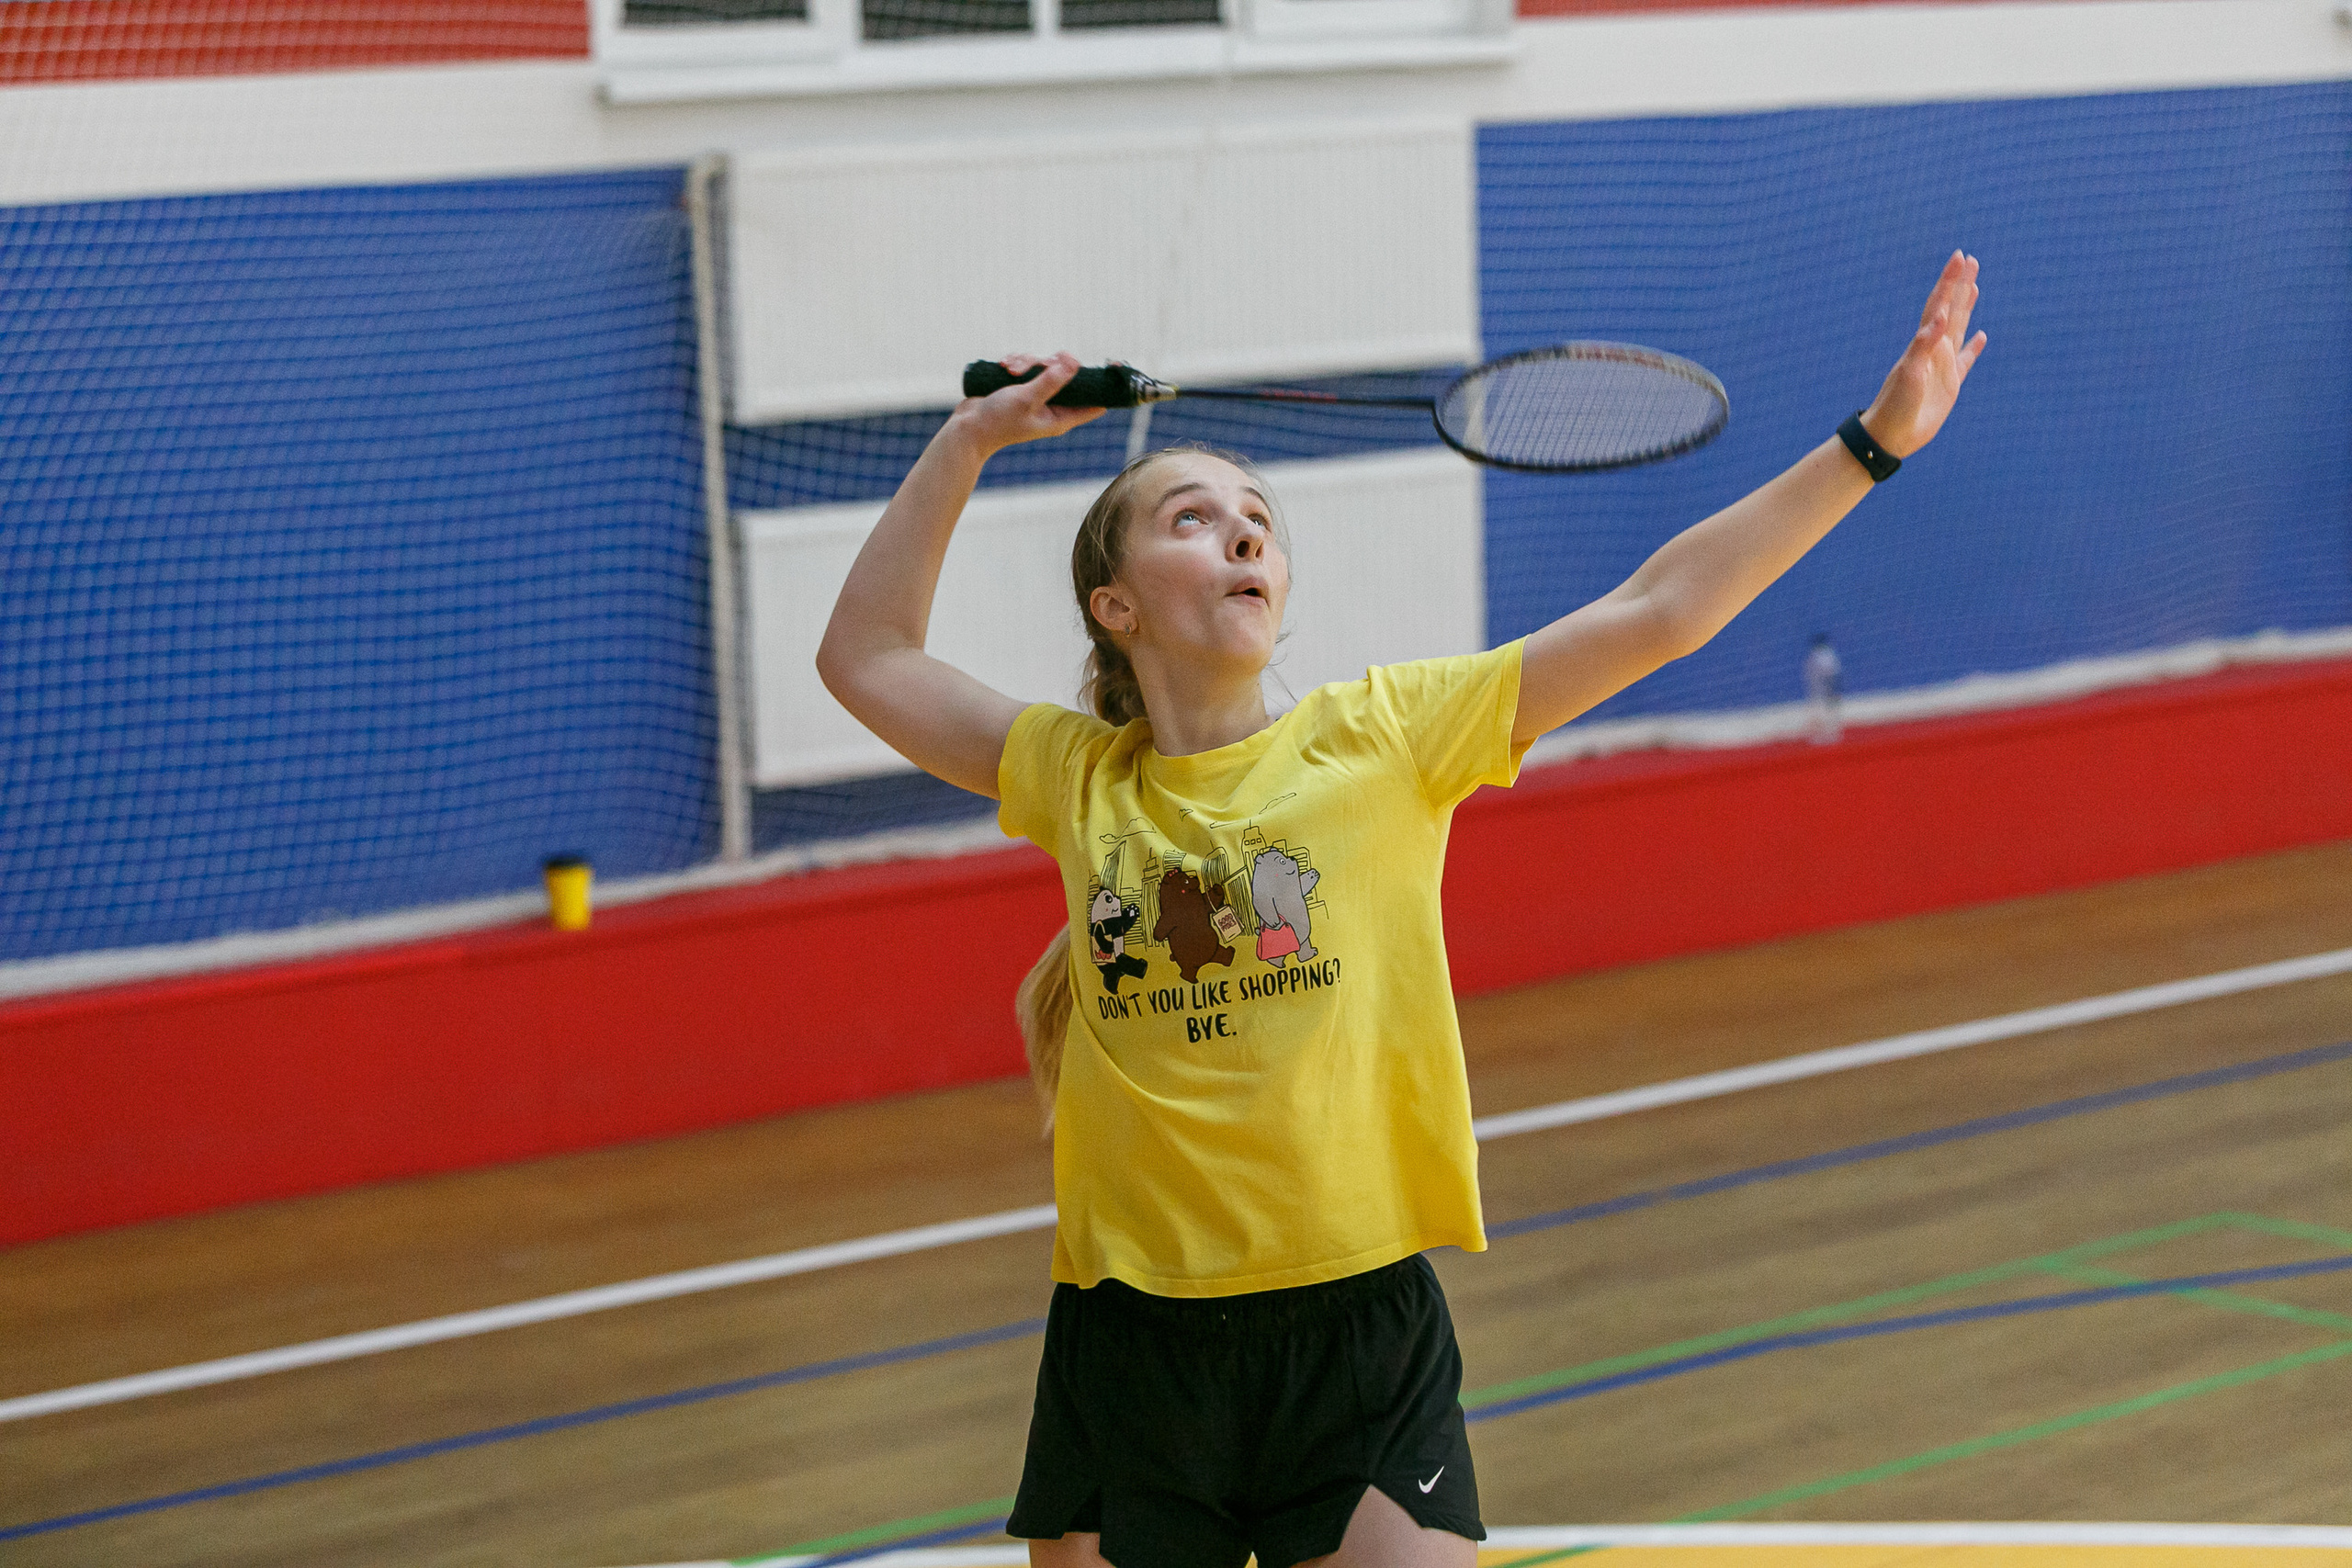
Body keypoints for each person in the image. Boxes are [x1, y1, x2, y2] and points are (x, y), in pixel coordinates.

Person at [817, 253, 1984, 1568]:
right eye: (1191, 517)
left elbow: (1665, 607)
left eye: (1256, 518)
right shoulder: (1073, 777)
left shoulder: (1387, 739)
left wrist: (1874, 446)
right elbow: (865, 658)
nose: (1244, 531)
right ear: (1117, 604)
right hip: (1134, 1344)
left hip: (1358, 1335)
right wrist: (971, 441)